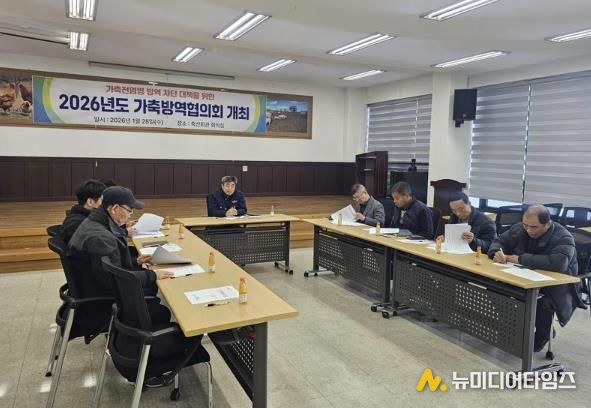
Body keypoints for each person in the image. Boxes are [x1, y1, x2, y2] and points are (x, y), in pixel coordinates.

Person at [487, 204, 585, 352]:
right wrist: (496, 252)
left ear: (548, 223)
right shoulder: (519, 228)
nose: (528, 230)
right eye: (525, 225)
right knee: (495, 288)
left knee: (541, 302)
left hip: (557, 286)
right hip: (524, 278)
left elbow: (559, 263)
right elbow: (499, 241)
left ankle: (542, 335)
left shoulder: (563, 236)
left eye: (534, 227)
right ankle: (516, 326)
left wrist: (519, 259)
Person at [69, 186, 174, 299]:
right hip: (102, 294)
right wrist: (152, 275)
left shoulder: (95, 221)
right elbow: (113, 279)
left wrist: (135, 261)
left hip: (91, 283)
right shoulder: (101, 238)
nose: (130, 214)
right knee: (155, 291)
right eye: (130, 210)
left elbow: (110, 265)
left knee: (148, 279)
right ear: (115, 209)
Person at [60, 179, 107, 244]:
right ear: (90, 202)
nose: (105, 203)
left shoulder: (77, 215)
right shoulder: (83, 225)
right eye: (102, 200)